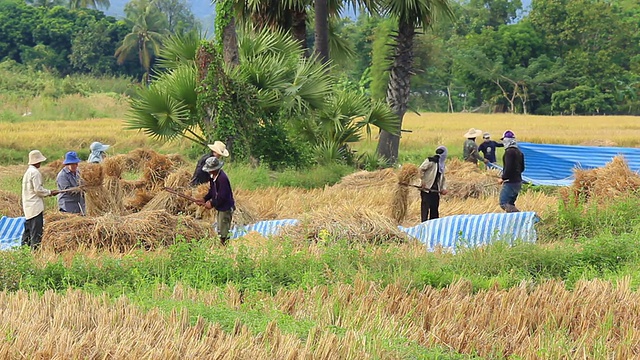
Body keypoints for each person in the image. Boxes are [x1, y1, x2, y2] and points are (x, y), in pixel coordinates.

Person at [22, 150, 59, 249]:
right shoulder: (35, 173)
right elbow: (38, 190)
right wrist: (50, 192)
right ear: (37, 161)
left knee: (28, 231)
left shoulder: (28, 172)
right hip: (35, 207)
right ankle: (35, 251)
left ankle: (23, 251)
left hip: (28, 206)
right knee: (36, 232)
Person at [196, 156, 235, 245]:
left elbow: (223, 196)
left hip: (225, 208)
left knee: (223, 229)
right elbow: (212, 191)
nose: (209, 171)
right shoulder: (213, 177)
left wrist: (212, 203)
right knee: (220, 227)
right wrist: (204, 199)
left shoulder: (222, 179)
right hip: (220, 206)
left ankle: (224, 246)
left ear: (214, 169)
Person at [418, 146, 448, 222]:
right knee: (425, 208)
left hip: (435, 190)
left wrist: (443, 188)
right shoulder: (430, 161)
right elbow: (420, 170)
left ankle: (433, 225)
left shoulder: (442, 165)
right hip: (426, 189)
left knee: (434, 209)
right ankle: (424, 224)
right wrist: (422, 182)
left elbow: (442, 178)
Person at [498, 130, 525, 213]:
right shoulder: (519, 152)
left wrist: (503, 178)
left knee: (503, 202)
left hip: (510, 182)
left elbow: (508, 168)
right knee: (510, 203)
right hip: (518, 182)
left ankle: (520, 217)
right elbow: (522, 168)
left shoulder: (509, 152)